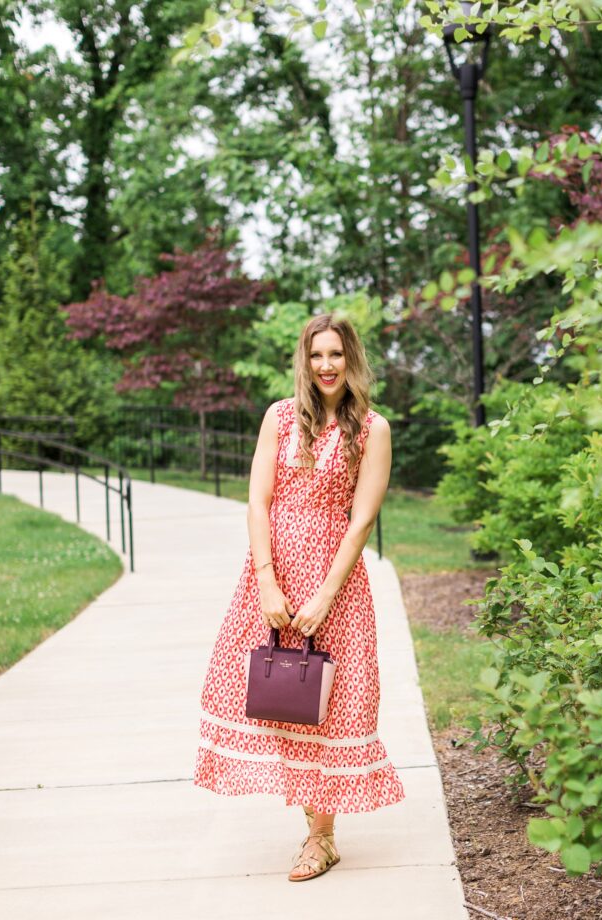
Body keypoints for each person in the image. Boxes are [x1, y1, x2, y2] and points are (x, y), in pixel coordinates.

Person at [193, 312, 405, 881]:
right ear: (304, 362)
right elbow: (257, 500)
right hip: (274, 575)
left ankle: (322, 837)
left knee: (330, 705)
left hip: (335, 581)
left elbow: (361, 521)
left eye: (336, 354)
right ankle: (312, 821)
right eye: (317, 356)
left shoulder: (372, 430)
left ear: (351, 359)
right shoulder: (280, 418)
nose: (326, 365)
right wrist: (267, 580)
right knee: (280, 697)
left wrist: (325, 597)